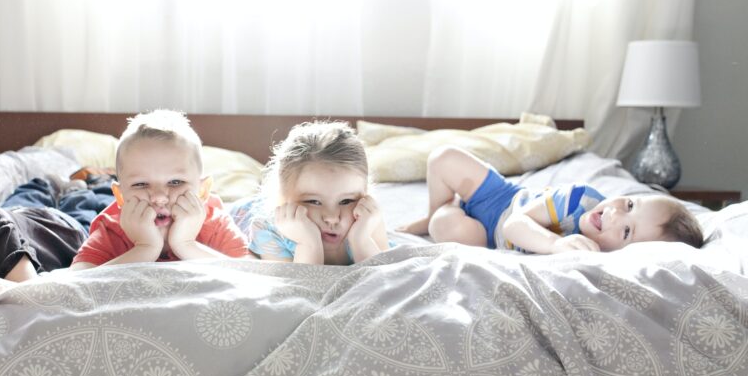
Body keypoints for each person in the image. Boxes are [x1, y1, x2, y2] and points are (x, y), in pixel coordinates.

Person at [398, 146, 704, 253]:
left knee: (450, 227)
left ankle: (442, 215)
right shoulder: (579, 199)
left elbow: (503, 235)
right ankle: (434, 209)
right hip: (507, 199)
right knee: (443, 158)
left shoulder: (594, 255)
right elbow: (516, 225)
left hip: (488, 236)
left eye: (626, 232)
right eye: (629, 205)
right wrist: (555, 244)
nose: (613, 214)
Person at [70, 109, 249, 267]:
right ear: (120, 196)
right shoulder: (113, 229)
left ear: (202, 191)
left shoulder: (215, 223)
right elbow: (73, 285)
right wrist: (145, 249)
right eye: (140, 184)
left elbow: (253, 276)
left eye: (175, 182)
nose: (159, 197)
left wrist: (186, 245)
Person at [233, 120, 390, 265]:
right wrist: (309, 244)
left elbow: (382, 282)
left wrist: (360, 241)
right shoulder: (267, 229)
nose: (332, 217)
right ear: (282, 198)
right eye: (313, 201)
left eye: (346, 201)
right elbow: (301, 289)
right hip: (244, 211)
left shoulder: (368, 219)